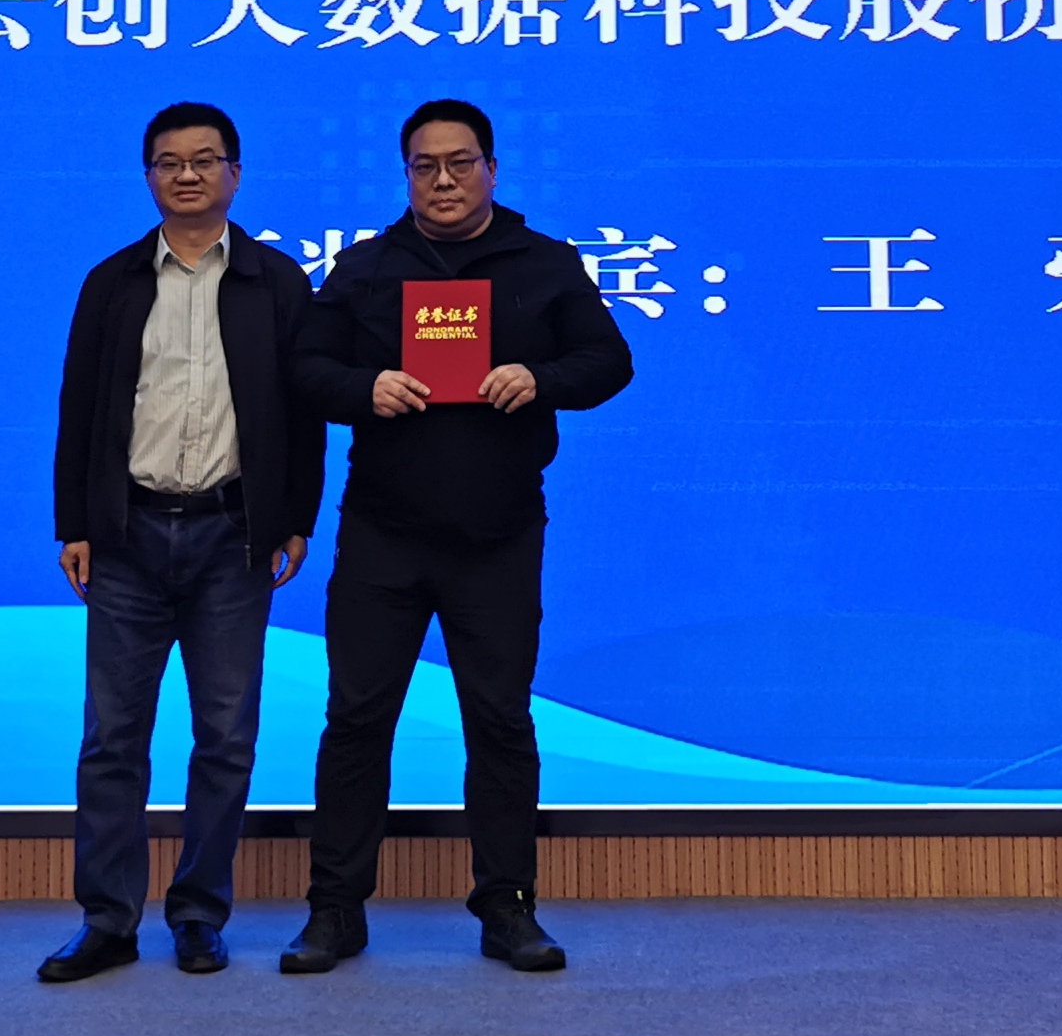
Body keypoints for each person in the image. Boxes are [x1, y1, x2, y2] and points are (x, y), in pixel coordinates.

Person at [282, 99, 633, 975]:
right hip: (382, 535)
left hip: (498, 534)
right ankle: (334, 908)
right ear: (405, 174)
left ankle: (508, 906)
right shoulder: (365, 266)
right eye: (424, 165)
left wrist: (538, 376)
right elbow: (305, 369)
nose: (442, 180)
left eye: (459, 162)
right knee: (356, 719)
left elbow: (609, 361)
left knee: (500, 720)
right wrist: (365, 388)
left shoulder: (543, 262)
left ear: (491, 169)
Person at [38, 103, 324, 984]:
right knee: (112, 739)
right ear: (149, 176)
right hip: (126, 536)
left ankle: (199, 913)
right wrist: (74, 523)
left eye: (205, 159)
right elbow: (79, 407)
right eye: (169, 161)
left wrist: (296, 516)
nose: (188, 174)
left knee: (225, 737)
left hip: (232, 538)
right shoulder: (113, 281)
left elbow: (305, 411)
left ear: (236, 172)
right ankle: (107, 920)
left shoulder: (276, 281)